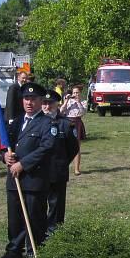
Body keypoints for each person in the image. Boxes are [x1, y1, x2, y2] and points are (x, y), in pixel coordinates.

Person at [0, 83, 55, 258]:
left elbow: (46, 148)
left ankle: (34, 251)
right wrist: (4, 156)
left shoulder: (47, 123)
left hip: (33, 178)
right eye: (26, 99)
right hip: (14, 180)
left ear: (40, 101)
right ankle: (14, 250)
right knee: (14, 218)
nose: (29, 102)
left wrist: (23, 164)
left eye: (33, 99)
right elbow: (5, 144)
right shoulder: (17, 121)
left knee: (34, 217)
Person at [42, 90, 79, 236]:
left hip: (57, 171)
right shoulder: (36, 122)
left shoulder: (66, 124)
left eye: (50, 103)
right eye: (44, 103)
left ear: (57, 104)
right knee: (37, 206)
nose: (46, 106)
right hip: (37, 172)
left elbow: (73, 148)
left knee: (56, 206)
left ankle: (54, 235)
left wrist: (61, 162)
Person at [60, 84, 86, 176]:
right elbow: (61, 111)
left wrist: (78, 102)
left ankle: (76, 169)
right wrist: (66, 101)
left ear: (80, 93)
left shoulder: (83, 102)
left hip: (77, 122)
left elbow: (82, 113)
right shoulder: (68, 101)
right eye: (74, 92)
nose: (75, 94)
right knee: (64, 147)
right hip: (67, 122)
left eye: (77, 92)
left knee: (77, 147)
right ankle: (63, 167)